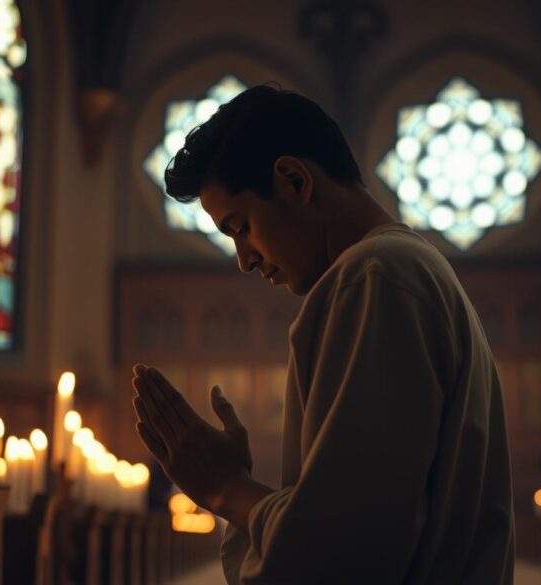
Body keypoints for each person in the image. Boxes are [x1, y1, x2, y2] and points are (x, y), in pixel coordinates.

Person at [131, 85, 514, 584]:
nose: (244, 259)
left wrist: (226, 489)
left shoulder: (374, 275)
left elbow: (342, 557)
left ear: (293, 180)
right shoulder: (403, 269)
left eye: (240, 226)